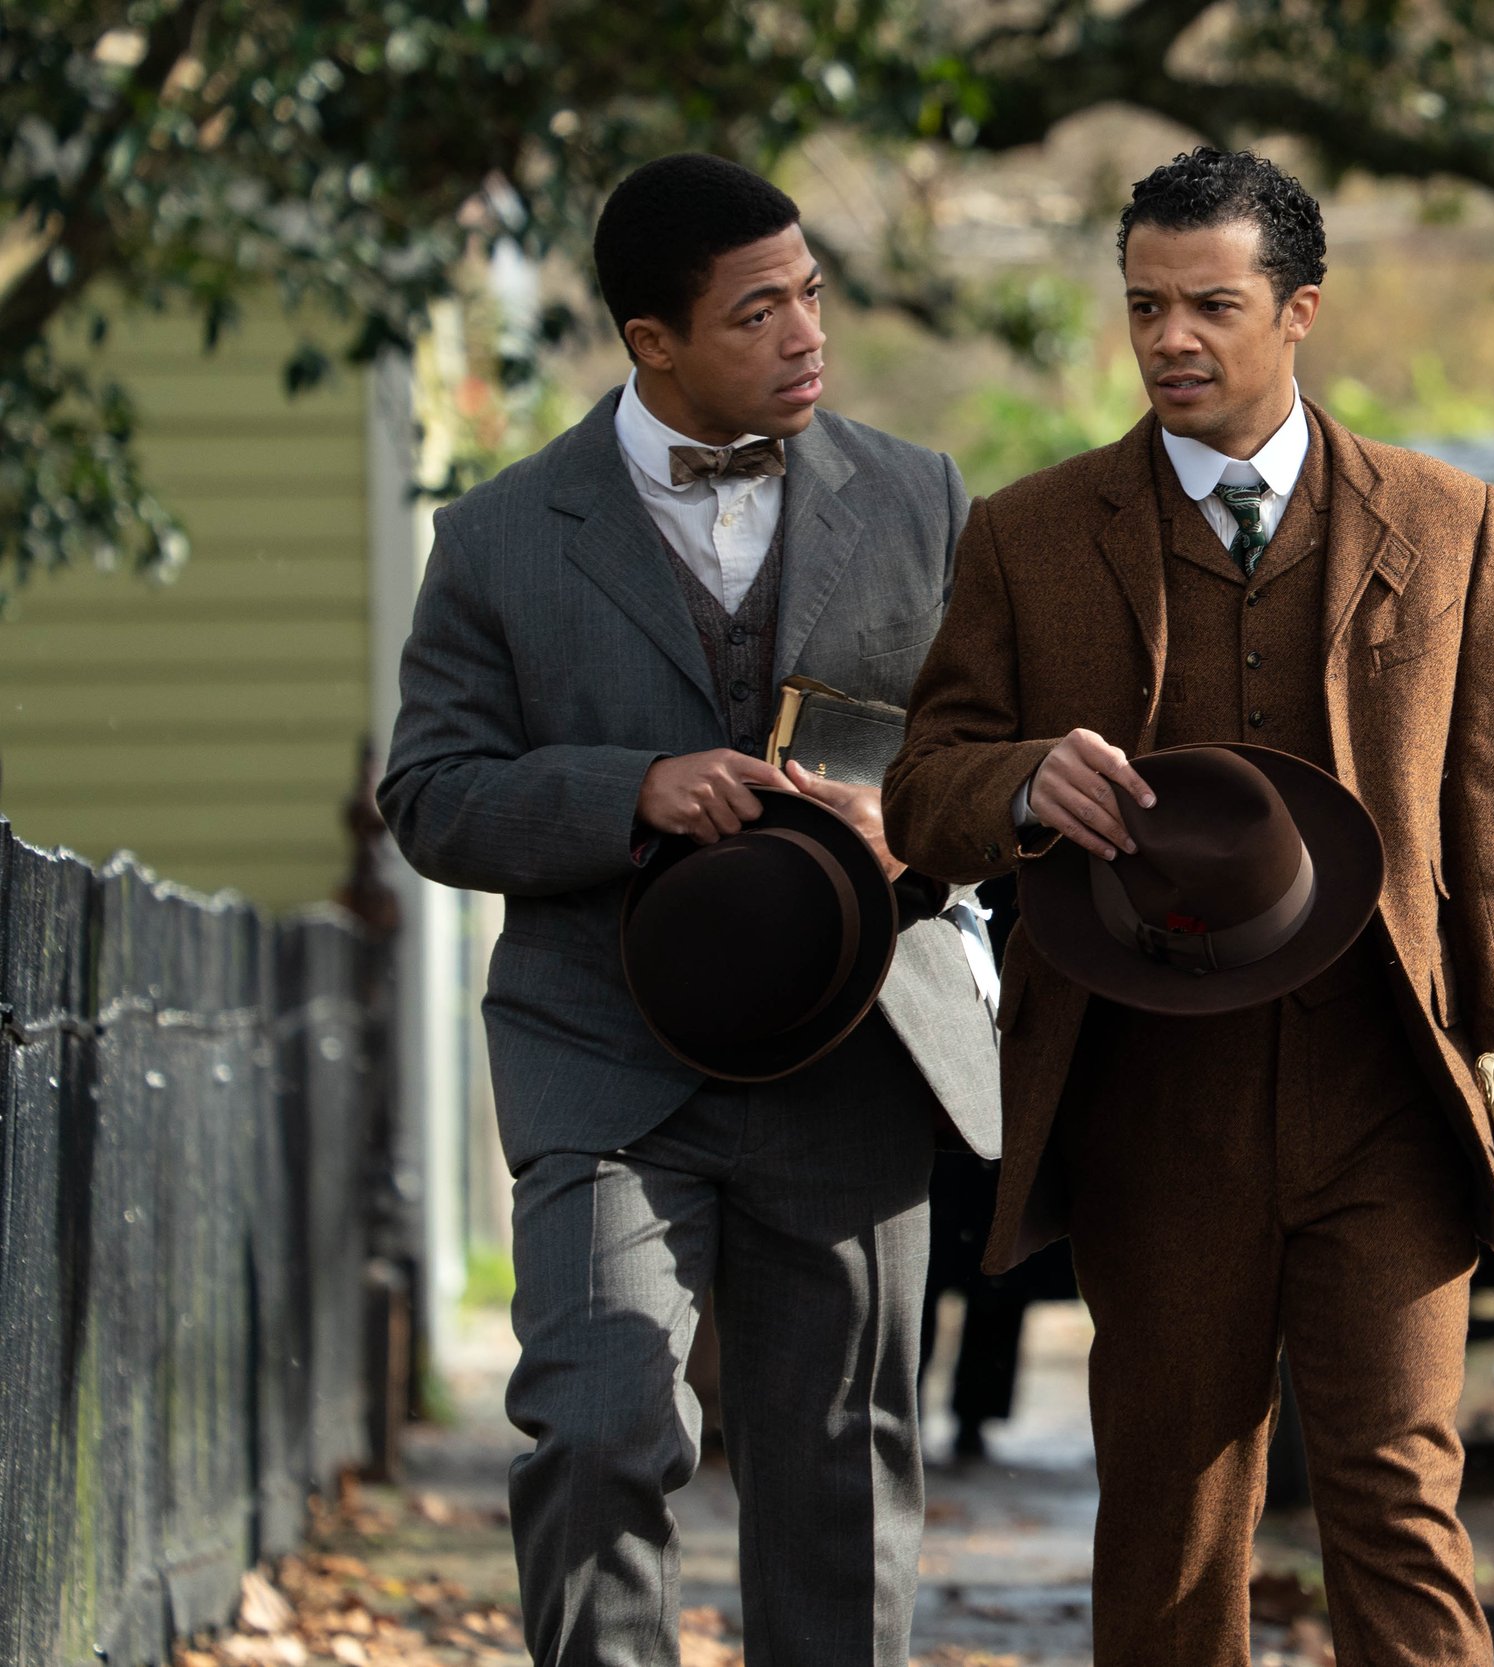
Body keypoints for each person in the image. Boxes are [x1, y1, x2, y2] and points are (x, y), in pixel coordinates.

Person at [884, 147, 1494, 1667]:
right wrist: (1015, 785)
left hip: (1391, 1092)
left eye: (1210, 305)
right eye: (1144, 306)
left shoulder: (1451, 523)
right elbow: (920, 789)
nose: (1168, 340)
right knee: (1172, 1515)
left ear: (1299, 311)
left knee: (1399, 1495)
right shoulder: (1028, 532)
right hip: (1151, 1098)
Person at [379, 153, 1000, 1667]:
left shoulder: (921, 499)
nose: (806, 336)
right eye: (756, 312)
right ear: (651, 341)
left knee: (839, 1471)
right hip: (605, 1056)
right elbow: (431, 796)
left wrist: (906, 817)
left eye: (811, 296)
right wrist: (629, 787)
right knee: (598, 1425)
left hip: (855, 1051)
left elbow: (992, 756)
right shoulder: (502, 539)